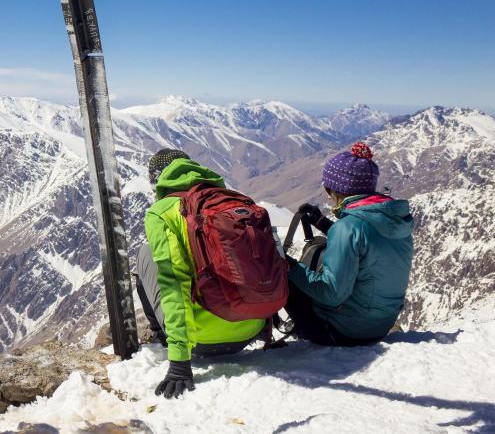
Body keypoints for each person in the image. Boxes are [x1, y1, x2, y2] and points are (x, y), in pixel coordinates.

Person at [137, 149, 267, 399]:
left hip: (202, 342)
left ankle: (158, 333)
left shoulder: (161, 213)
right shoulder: (238, 200)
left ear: (156, 180)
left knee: (146, 253)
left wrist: (179, 363)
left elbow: (173, 284)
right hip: (252, 329)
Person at [287, 142, 414, 346]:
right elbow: (368, 243)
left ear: (334, 189)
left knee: (285, 276)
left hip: (343, 333)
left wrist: (289, 266)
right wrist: (324, 224)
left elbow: (331, 294)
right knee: (321, 246)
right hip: (379, 326)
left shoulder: (347, 228)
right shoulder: (394, 219)